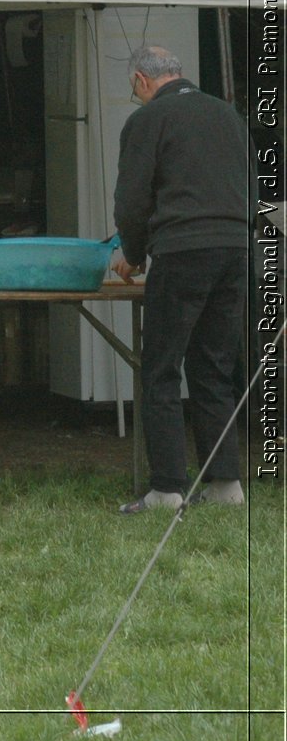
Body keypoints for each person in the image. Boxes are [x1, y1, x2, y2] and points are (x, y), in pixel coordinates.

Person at [111, 45, 251, 514]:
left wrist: (132, 254)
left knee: (162, 368)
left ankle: (167, 489)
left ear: (141, 82)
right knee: (213, 367)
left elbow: (132, 201)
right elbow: (252, 187)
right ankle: (226, 485)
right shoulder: (228, 115)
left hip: (182, 250)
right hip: (234, 249)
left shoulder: (148, 121)